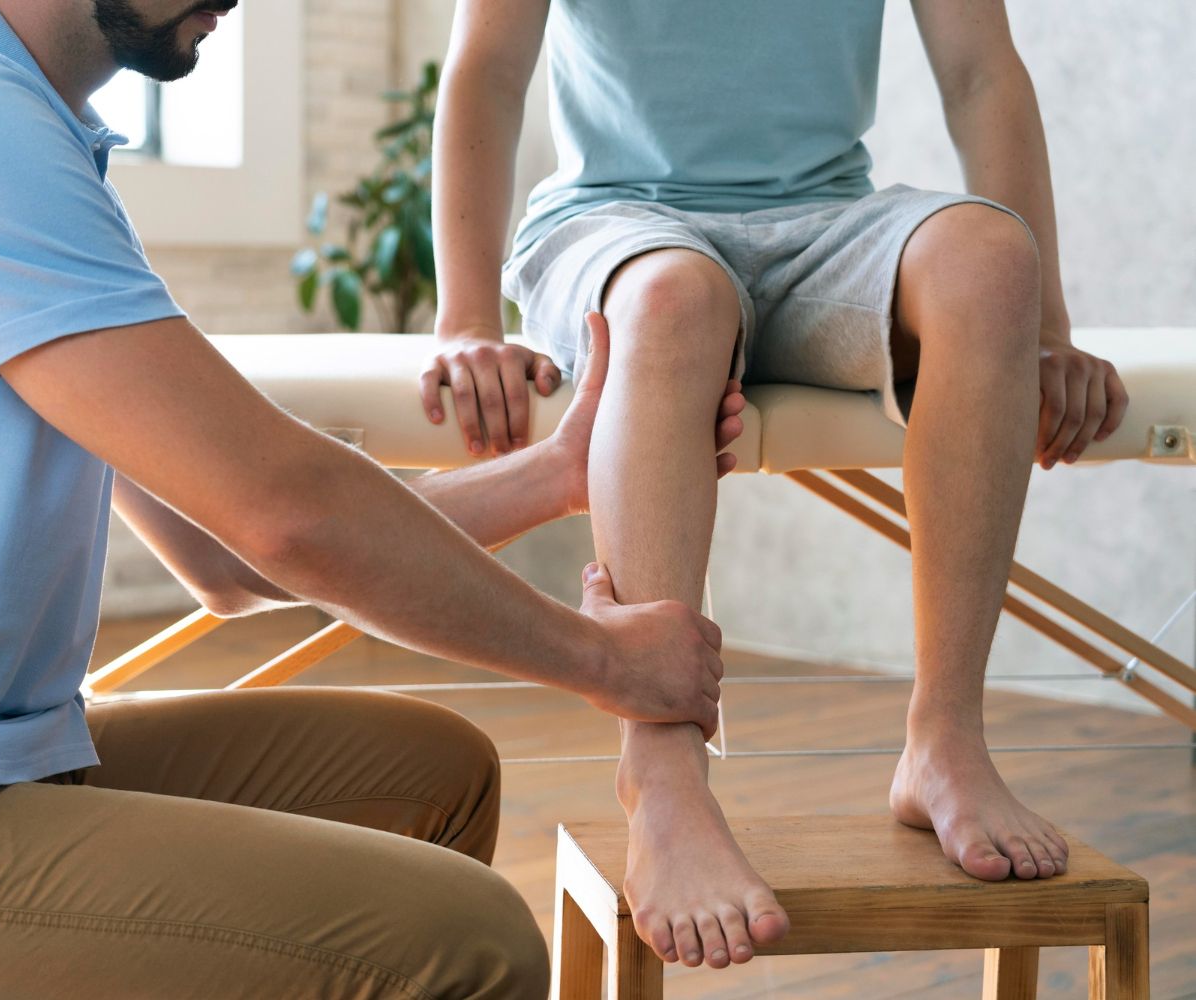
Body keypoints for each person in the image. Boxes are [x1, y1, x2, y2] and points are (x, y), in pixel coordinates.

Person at [0, 0, 747, 996]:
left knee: (439, 776)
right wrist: (604, 660)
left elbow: (223, 558)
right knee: (465, 945)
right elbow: (282, 511)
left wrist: (554, 474)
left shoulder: (22, 130)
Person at [424, 0, 1130, 972]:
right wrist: (463, 317)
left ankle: (945, 740)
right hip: (618, 222)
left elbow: (981, 73)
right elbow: (486, 71)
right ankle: (663, 773)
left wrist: (1046, 330)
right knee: (674, 298)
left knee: (988, 260)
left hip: (829, 220)